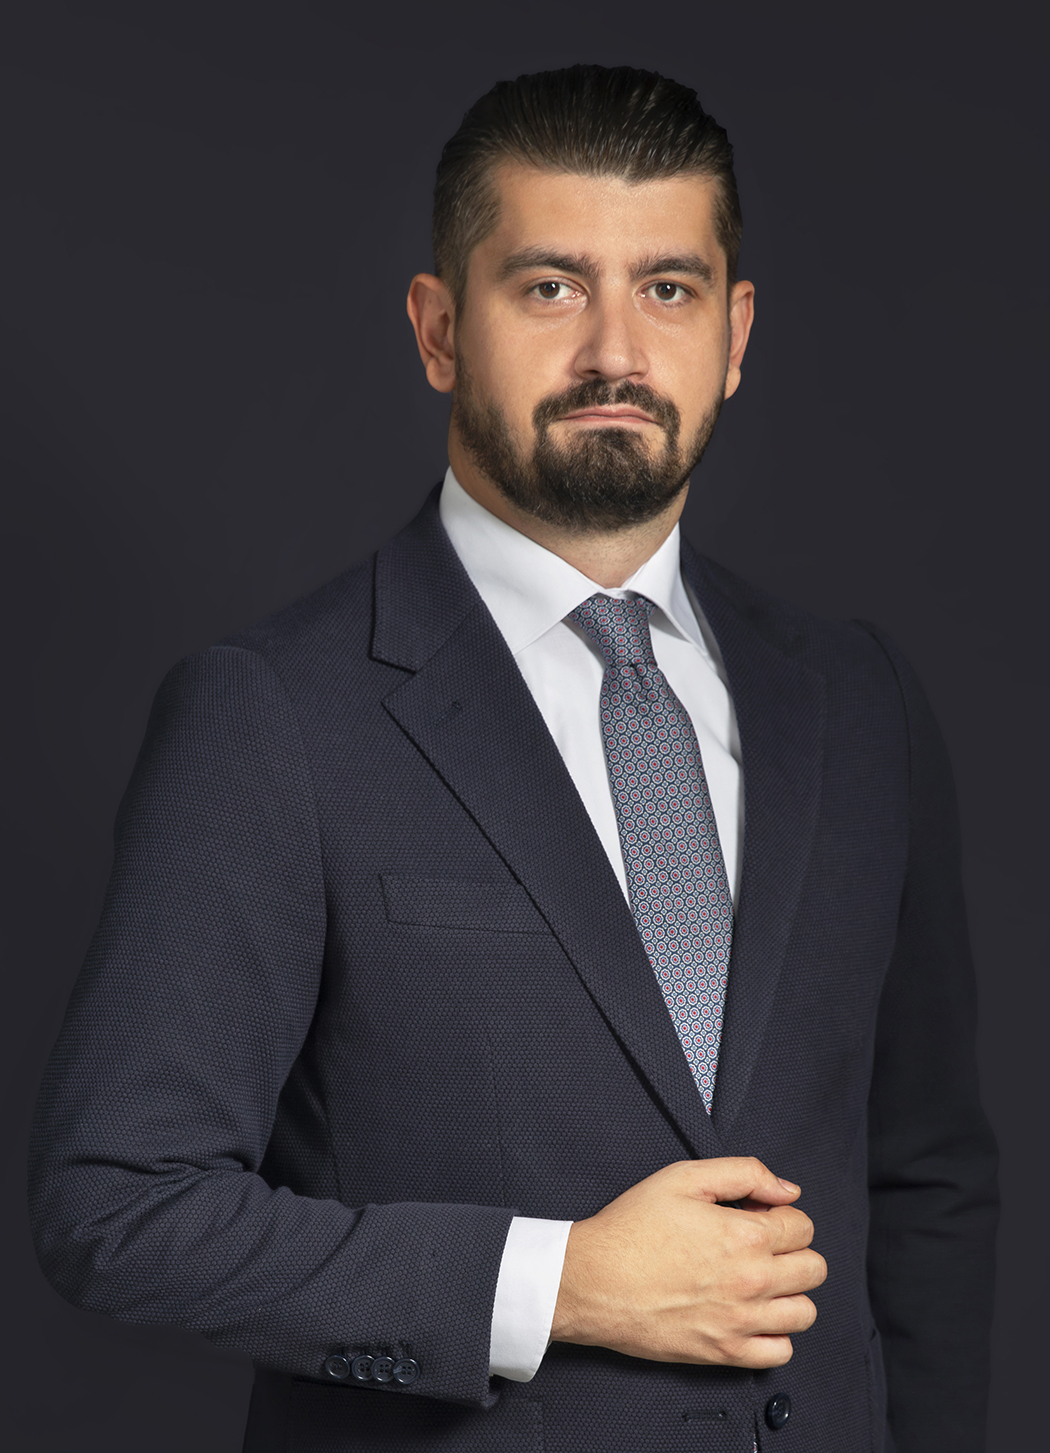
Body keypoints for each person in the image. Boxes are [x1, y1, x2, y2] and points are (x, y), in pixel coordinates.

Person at [27, 65, 998, 1453]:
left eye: (666, 288)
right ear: (439, 330)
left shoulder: (858, 702)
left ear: (733, 335)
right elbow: (115, 1207)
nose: (615, 350)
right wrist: (556, 1284)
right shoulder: (275, 714)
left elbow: (925, 1181)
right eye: (549, 287)